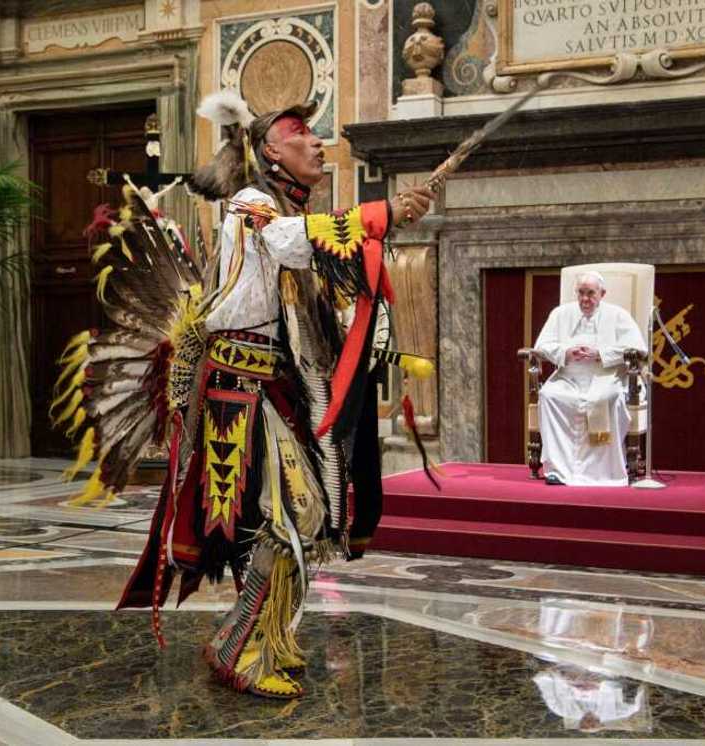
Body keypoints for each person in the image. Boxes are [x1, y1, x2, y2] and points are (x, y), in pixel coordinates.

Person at [114, 94, 433, 699]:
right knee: (291, 516)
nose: (316, 143)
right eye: (301, 134)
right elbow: (291, 241)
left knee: (292, 519)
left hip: (273, 382)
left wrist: (388, 222)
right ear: (269, 150)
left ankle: (266, 640)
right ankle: (240, 646)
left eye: (315, 135)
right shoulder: (253, 203)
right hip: (238, 388)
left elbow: (320, 259)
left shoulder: (288, 206)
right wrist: (379, 213)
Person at [534, 271, 647, 486]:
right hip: (568, 377)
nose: (585, 299)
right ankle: (557, 470)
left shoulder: (618, 315)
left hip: (607, 377)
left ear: (602, 293)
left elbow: (638, 349)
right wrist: (565, 352)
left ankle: (603, 472)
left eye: (590, 293)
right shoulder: (560, 314)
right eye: (581, 293)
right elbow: (542, 346)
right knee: (549, 395)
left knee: (605, 397)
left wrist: (600, 354)